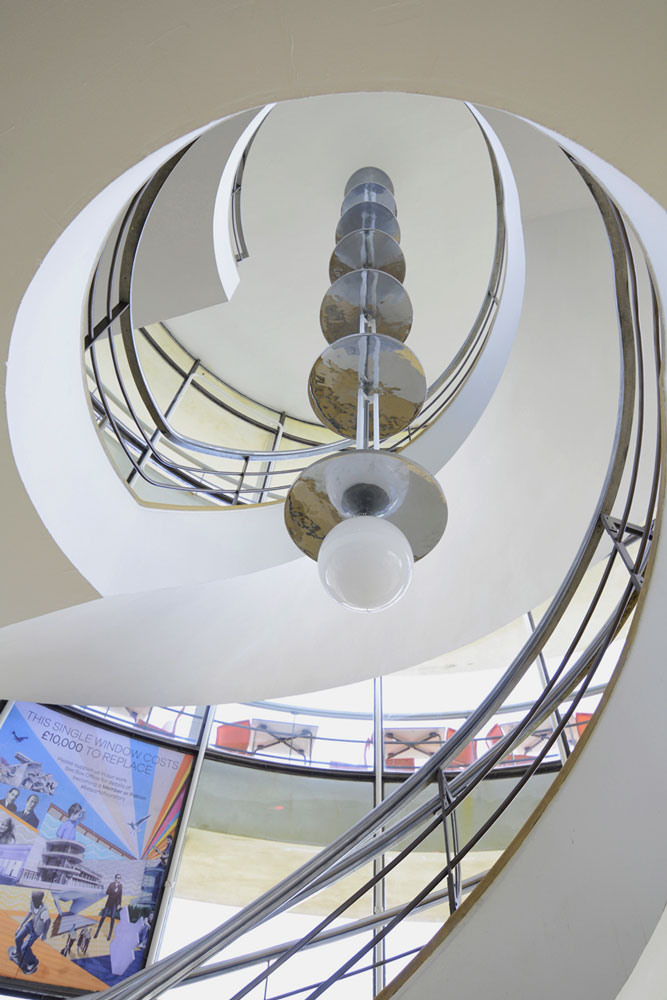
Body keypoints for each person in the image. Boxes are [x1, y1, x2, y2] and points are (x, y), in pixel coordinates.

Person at [9, 891, 50, 975]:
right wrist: (20, 926)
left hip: (37, 930)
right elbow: (30, 913)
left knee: (25, 948)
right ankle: (18, 951)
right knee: (18, 938)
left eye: (34, 900)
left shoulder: (44, 911)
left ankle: (33, 962)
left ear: (39, 901)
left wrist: (44, 935)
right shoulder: (32, 902)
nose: (32, 901)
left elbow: (48, 923)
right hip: (31, 924)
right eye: (32, 899)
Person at [94, 874, 123, 940]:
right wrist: (113, 891)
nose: (119, 879)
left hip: (115, 904)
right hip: (109, 903)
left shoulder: (121, 886)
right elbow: (107, 892)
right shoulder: (111, 884)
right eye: (118, 878)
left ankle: (109, 935)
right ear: (115, 878)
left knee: (112, 918)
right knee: (104, 916)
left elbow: (120, 895)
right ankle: (97, 932)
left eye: (120, 878)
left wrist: (119, 904)